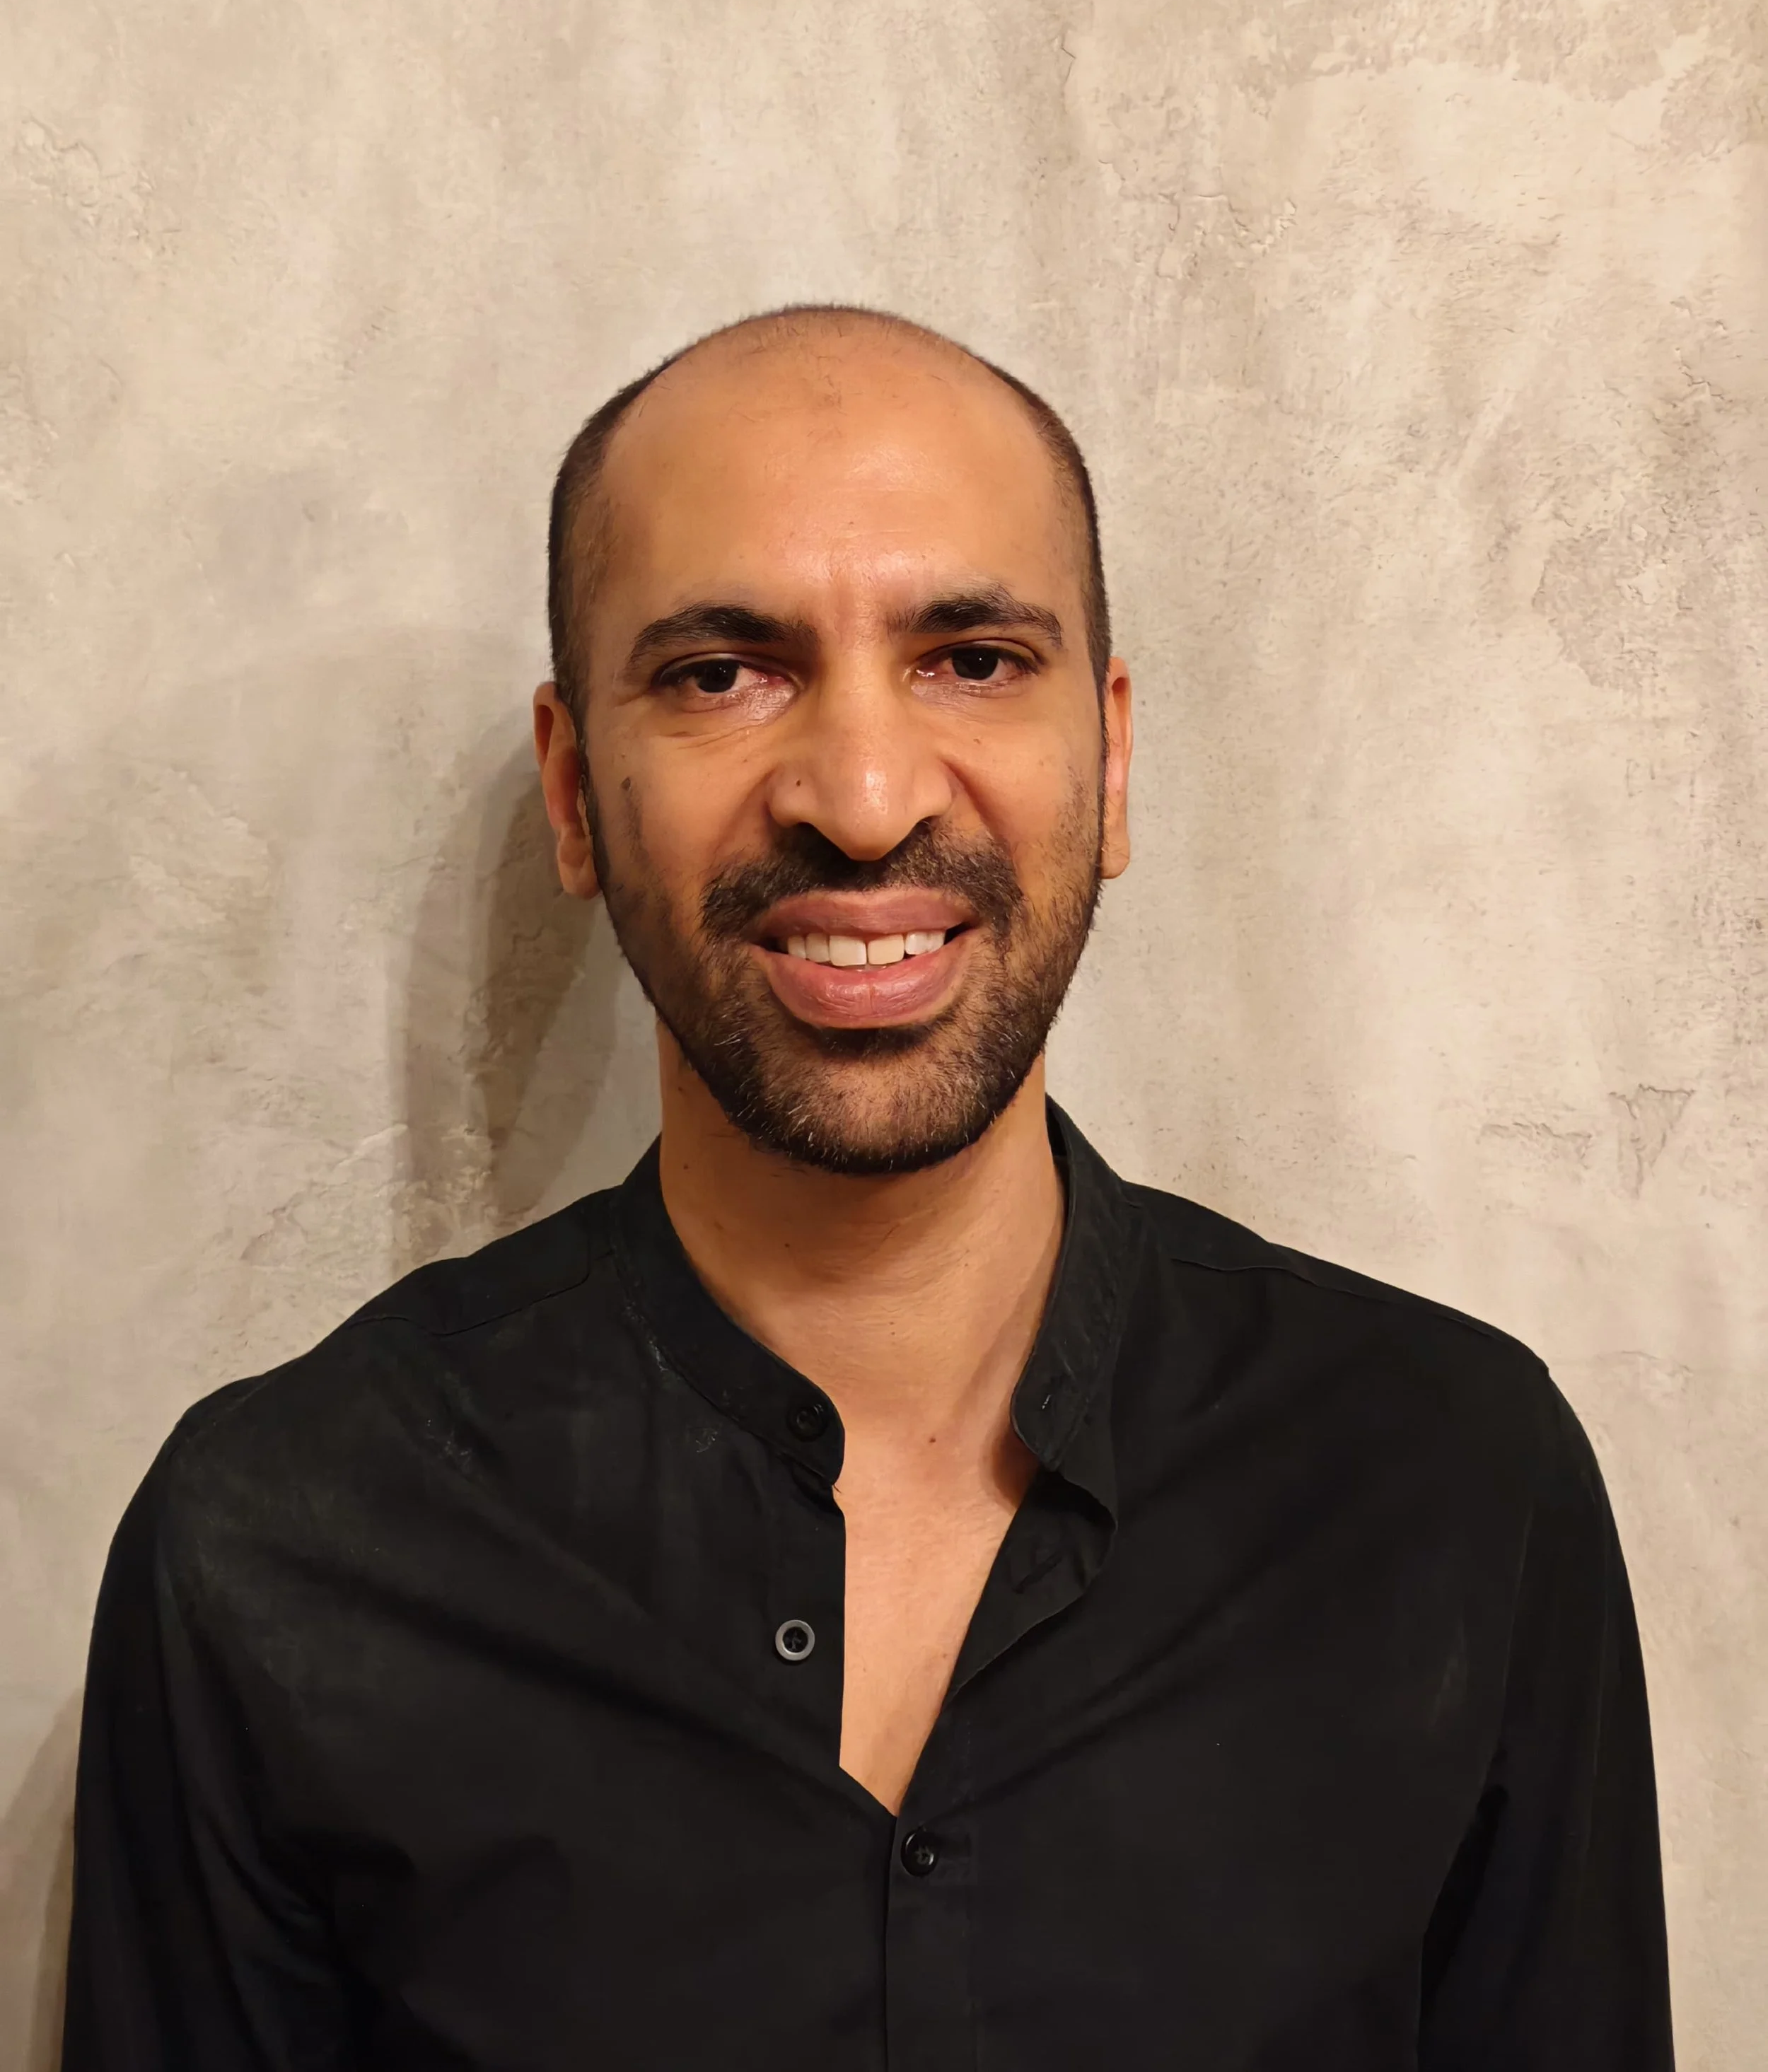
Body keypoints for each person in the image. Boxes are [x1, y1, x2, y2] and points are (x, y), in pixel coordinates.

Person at [62, 306, 1673, 2070]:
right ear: (574, 789)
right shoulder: (281, 1547)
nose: (860, 794)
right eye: (717, 671)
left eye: (969, 656)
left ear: (1110, 757)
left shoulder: (1447, 1484)